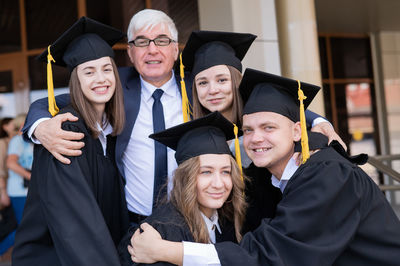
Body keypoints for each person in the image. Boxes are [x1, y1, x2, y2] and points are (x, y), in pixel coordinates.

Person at [129, 68, 400, 266]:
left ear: (297, 131)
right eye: (248, 130)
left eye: (268, 127)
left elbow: (270, 255)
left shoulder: (328, 175)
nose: (256, 138)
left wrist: (166, 251)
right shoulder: (269, 178)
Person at [21, 9, 192, 224]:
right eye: (141, 42)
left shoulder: (198, 90)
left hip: (190, 220)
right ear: (130, 53)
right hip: (133, 222)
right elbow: (55, 101)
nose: (152, 50)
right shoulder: (114, 84)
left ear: (176, 49)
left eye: (162, 40)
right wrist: (40, 125)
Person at [12, 17, 129, 266]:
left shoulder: (108, 131)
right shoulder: (64, 134)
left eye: (107, 69)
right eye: (89, 71)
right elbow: (75, 223)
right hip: (53, 258)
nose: (101, 78)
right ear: (76, 80)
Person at [118, 112, 246, 265]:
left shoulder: (226, 219)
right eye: (206, 172)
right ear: (186, 178)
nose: (219, 184)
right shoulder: (161, 233)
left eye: (226, 171)